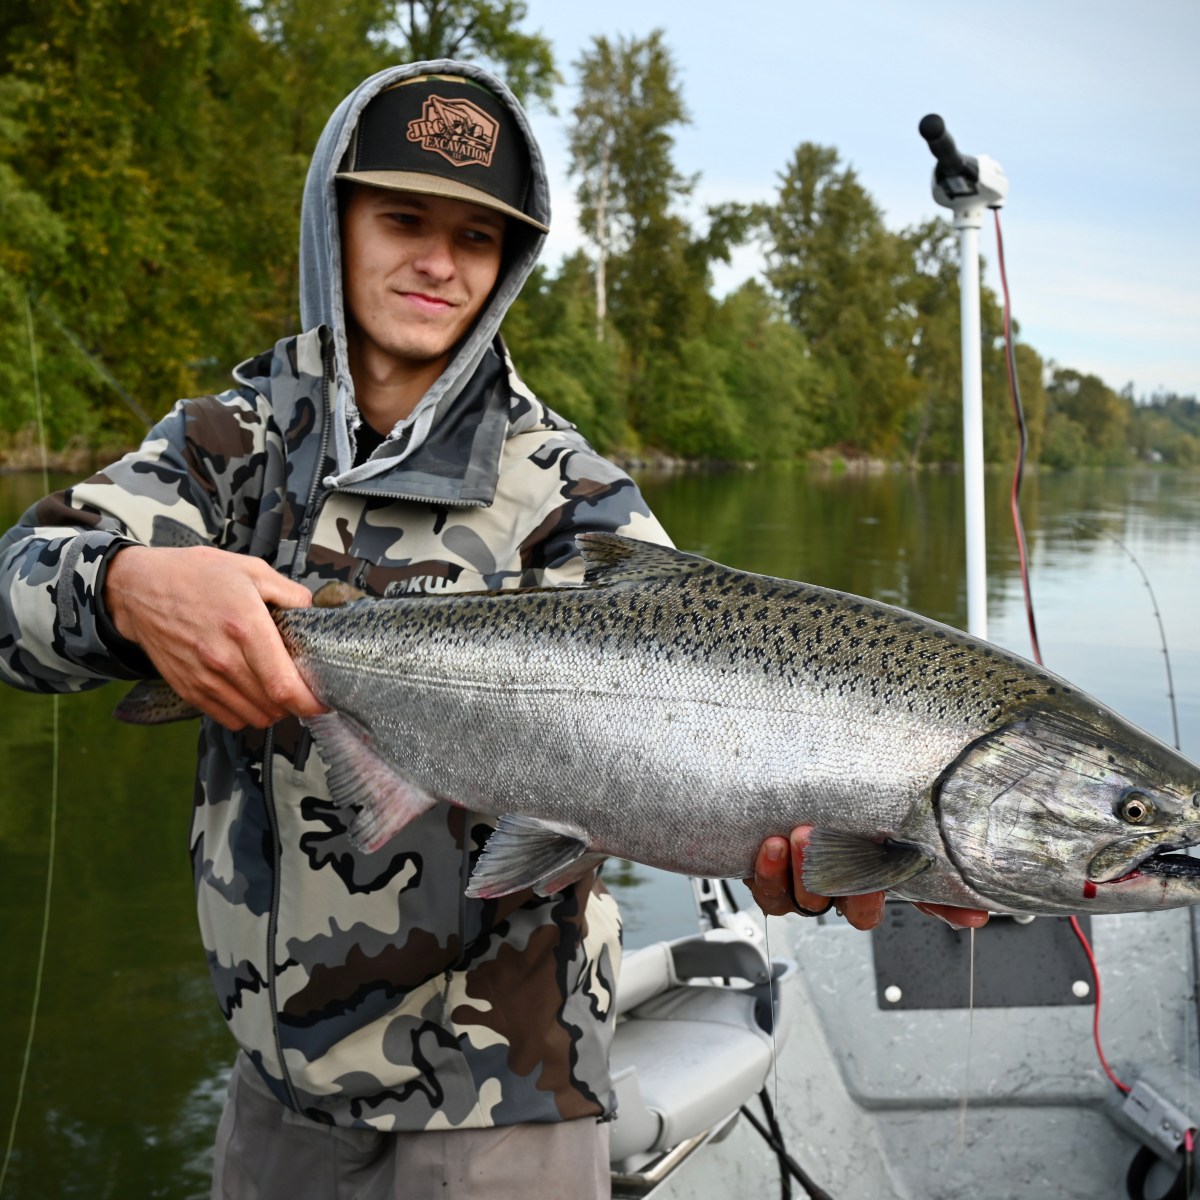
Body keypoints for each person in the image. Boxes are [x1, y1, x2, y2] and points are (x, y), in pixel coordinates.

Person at [0, 60, 985, 1200]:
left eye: (476, 238)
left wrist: (804, 843)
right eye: (403, 218)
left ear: (509, 263)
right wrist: (127, 586)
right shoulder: (226, 447)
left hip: (503, 1104)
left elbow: (706, 733)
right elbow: (15, 590)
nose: (436, 261)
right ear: (336, 219)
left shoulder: (577, 496)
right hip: (272, 1092)